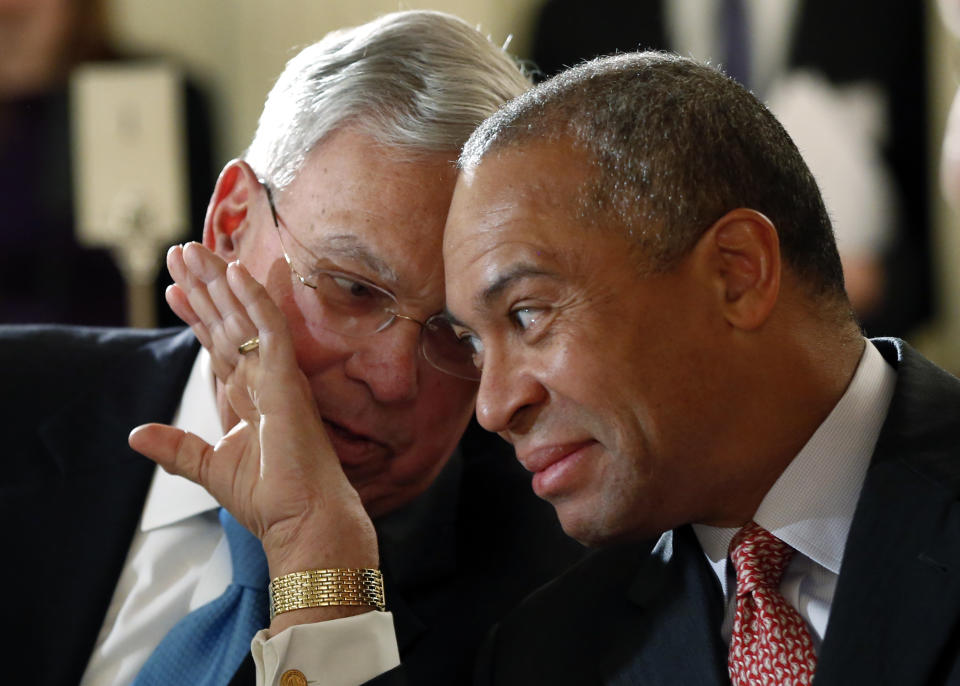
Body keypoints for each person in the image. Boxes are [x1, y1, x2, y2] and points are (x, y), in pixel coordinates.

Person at [0, 11, 585, 686]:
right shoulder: (17, 407)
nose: (394, 379)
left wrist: (322, 575)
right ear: (230, 223)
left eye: (458, 335)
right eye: (352, 291)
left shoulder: (555, 598)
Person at [436, 51, 960, 684]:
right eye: (471, 344)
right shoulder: (542, 659)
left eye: (526, 315)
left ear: (736, 273)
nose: (493, 407)